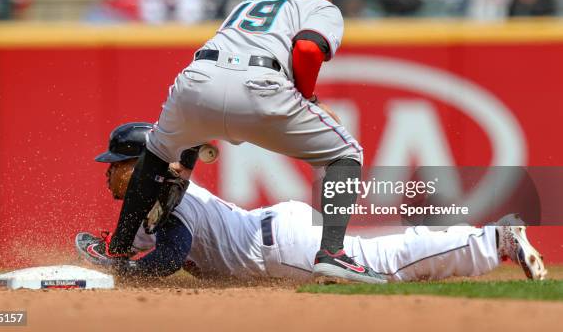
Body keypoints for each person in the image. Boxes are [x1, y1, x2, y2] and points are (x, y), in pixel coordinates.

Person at [77, 0, 385, 283]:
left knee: (154, 153)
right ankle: (332, 254)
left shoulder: (249, 1)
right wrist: (307, 97)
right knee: (346, 154)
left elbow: (226, 71)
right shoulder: (318, 5)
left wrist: (188, 156)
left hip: (197, 79)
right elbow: (309, 48)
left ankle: (117, 249)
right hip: (261, 87)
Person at [76, 122, 548, 282]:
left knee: (382, 263)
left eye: (117, 163)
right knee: (377, 251)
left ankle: (493, 240)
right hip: (274, 229)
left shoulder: (164, 198)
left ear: (139, 165)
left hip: (274, 248)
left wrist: (128, 271)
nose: (108, 170)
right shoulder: (160, 194)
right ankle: (488, 239)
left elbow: (173, 251)